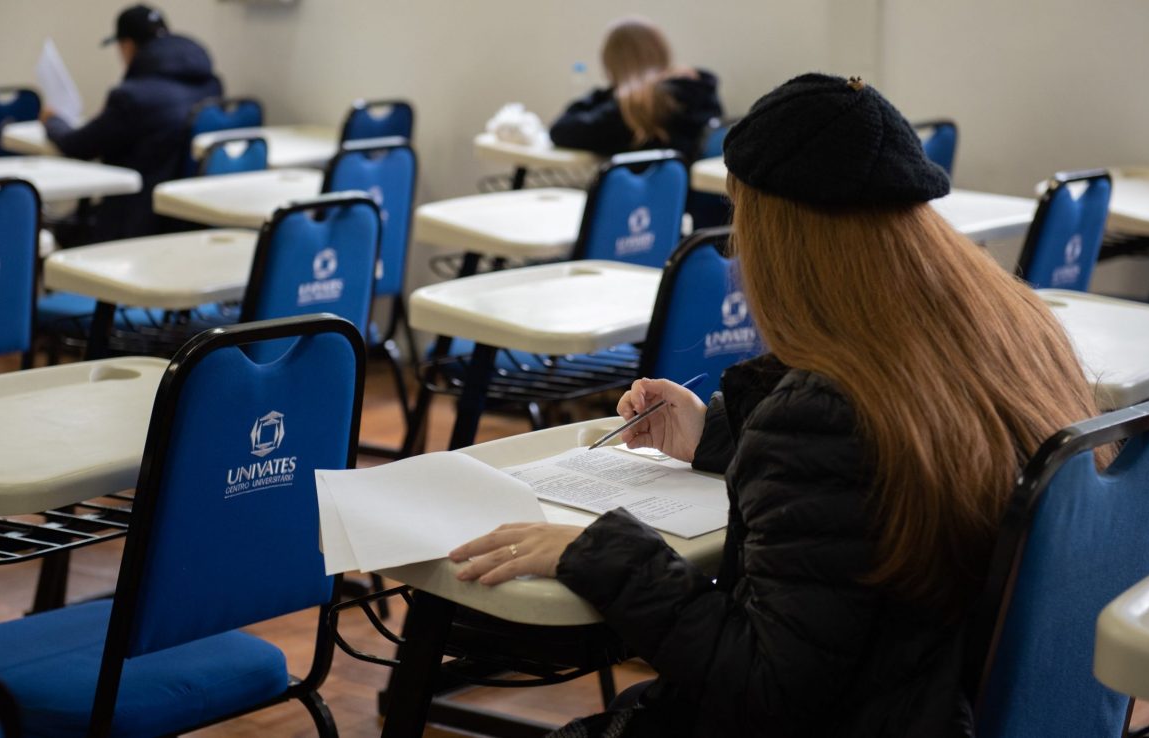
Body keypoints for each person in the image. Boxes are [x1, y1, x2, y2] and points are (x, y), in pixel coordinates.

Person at [449, 74, 1109, 736]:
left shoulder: (829, 411)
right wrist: (716, 435)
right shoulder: (1013, 333)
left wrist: (607, 550)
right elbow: (885, 462)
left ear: (778, 237)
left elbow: (765, 688)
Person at [41, 4, 222, 242]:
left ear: (126, 46)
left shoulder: (132, 97)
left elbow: (76, 145)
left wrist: (53, 120)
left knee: (58, 228)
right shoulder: (210, 86)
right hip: (188, 219)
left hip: (136, 222)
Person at [548, 17, 722, 162]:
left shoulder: (637, 105)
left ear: (613, 63)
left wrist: (605, 93)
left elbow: (561, 131)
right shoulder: (700, 91)